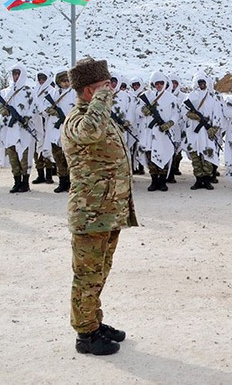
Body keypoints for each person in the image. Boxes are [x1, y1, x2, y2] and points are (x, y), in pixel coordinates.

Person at [62, 57, 137, 356]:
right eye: (106, 87)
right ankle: (85, 335)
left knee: (100, 272)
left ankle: (93, 321)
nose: (112, 91)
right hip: (90, 214)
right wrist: (102, 98)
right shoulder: (78, 121)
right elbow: (91, 132)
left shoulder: (99, 116)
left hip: (107, 211)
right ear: (91, 92)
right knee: (87, 275)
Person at [0, 62, 39, 193]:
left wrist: (27, 117)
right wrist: (1, 110)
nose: (16, 76)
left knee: (24, 156)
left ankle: (25, 182)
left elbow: (36, 108)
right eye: (14, 74)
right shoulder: (5, 92)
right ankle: (16, 181)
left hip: (23, 129)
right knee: (12, 155)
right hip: (9, 129)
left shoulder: (29, 92)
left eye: (18, 74)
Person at [139, 71, 180, 192]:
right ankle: (154, 181)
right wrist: (143, 110)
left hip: (163, 133)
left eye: (161, 83)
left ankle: (162, 181)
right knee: (151, 158)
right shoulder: (146, 96)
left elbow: (176, 114)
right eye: (156, 83)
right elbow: (137, 111)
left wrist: (169, 124)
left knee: (164, 156)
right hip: (150, 133)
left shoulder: (171, 98)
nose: (159, 85)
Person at [181, 72, 222, 191]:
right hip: (193, 131)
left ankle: (207, 180)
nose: (201, 85)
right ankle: (198, 179)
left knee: (208, 155)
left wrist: (214, 128)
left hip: (206, 132)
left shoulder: (211, 98)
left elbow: (217, 114)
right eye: (199, 83)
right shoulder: (190, 97)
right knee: (195, 156)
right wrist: (191, 115)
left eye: (203, 83)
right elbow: (183, 111)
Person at [43, 69, 77, 193]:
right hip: (55, 129)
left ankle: (70, 182)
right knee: (58, 157)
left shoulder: (74, 93)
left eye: (68, 81)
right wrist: (51, 110)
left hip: (69, 128)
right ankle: (62, 181)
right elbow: (42, 105)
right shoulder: (53, 93)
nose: (66, 83)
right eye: (63, 81)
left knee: (69, 157)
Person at [31, 69, 55, 185]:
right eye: (39, 78)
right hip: (35, 122)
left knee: (47, 148)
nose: (41, 81)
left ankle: (49, 174)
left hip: (46, 122)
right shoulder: (34, 90)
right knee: (36, 149)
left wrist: (45, 111)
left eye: (43, 78)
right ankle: (40, 174)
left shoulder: (52, 91)